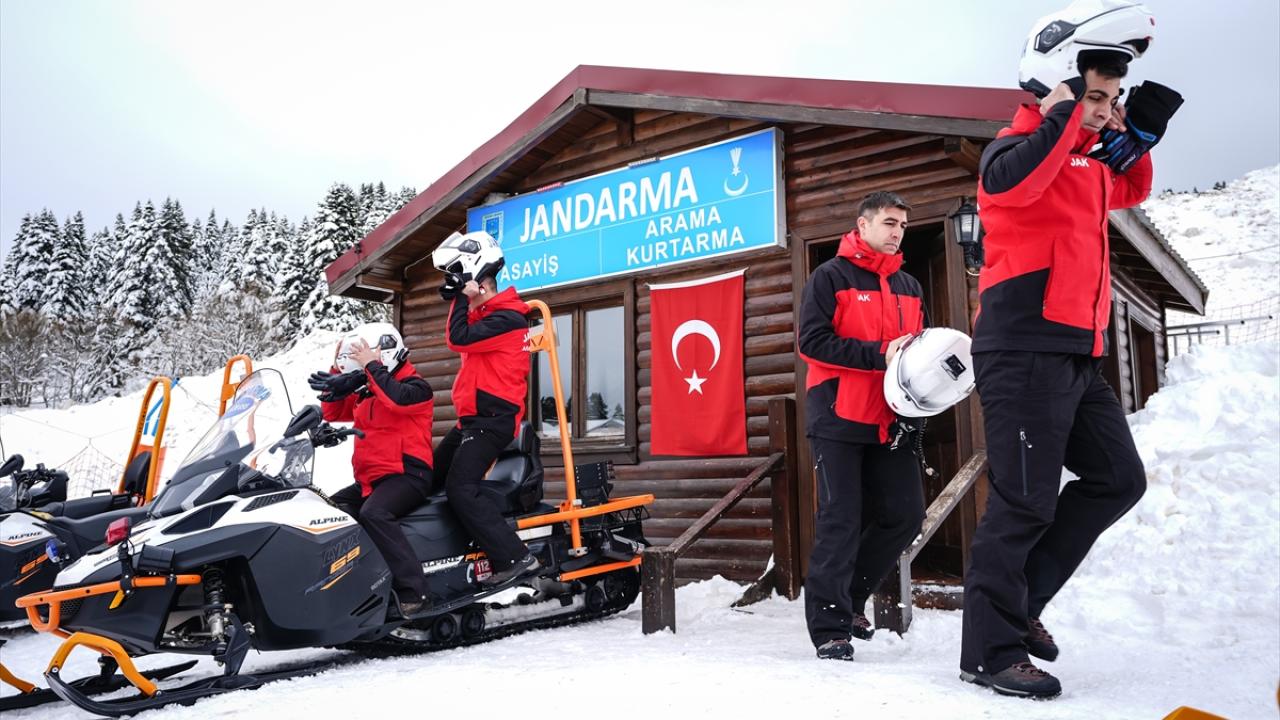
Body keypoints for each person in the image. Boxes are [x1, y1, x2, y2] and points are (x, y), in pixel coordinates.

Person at [959, 49, 1161, 698]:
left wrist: (1136, 141)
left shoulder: (1086, 161)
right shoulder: (1012, 150)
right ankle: (989, 653)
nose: (1104, 111)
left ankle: (1019, 605)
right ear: (1058, 92)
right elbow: (1013, 184)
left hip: (1077, 351)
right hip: (1022, 347)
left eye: (1112, 100)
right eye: (1094, 97)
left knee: (1117, 478)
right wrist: (1063, 116)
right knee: (1024, 500)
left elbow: (1129, 187)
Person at [797, 191, 927, 661]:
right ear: (863, 225)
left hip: (892, 418)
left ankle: (850, 597)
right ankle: (830, 628)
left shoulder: (910, 285)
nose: (897, 233)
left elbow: (918, 352)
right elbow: (811, 342)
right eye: (890, 223)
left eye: (903, 226)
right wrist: (878, 354)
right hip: (838, 415)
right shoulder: (830, 276)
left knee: (905, 515)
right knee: (841, 519)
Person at [433, 231, 540, 588]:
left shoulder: (508, 318)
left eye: (459, 275)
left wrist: (460, 298)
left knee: (461, 488)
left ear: (478, 279)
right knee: (428, 477)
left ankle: (515, 556)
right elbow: (461, 332)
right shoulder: (487, 316)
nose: (454, 283)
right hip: (472, 421)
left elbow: (457, 338)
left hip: (493, 421)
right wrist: (461, 297)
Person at [308, 323, 436, 616]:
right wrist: (338, 375)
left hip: (408, 475)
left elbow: (396, 399)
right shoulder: (368, 392)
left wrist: (369, 367)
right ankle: (357, 585)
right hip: (371, 479)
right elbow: (333, 411)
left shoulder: (416, 388)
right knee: (328, 511)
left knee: (374, 513)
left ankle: (416, 592)